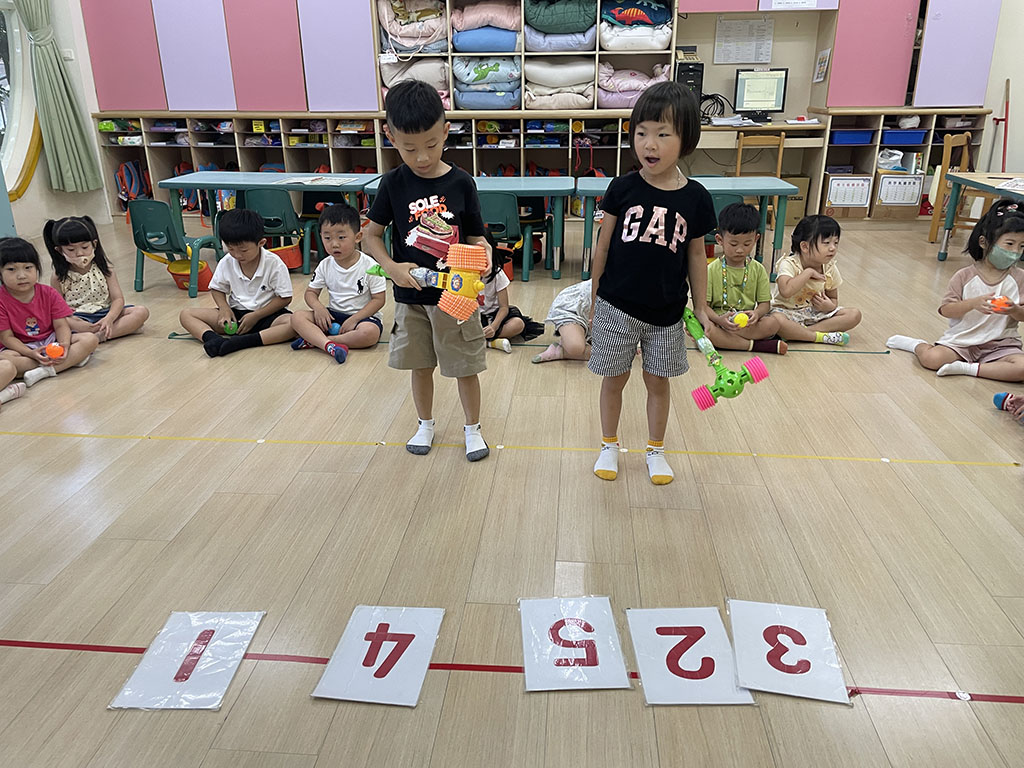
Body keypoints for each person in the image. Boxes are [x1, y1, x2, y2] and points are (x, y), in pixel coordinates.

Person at [588, 81, 717, 486]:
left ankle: (655, 450)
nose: (650, 144)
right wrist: (593, 297)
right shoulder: (622, 188)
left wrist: (700, 306)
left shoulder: (696, 198)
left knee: (658, 382)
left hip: (666, 312)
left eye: (663, 134)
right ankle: (609, 444)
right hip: (616, 306)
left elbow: (696, 256)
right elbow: (603, 245)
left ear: (686, 139)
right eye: (642, 132)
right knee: (614, 379)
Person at [361, 80, 493, 462]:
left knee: (465, 367)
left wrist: (484, 253)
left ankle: (473, 429)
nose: (421, 157)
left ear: (446, 130)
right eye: (409, 148)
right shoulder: (393, 183)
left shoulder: (461, 182)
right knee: (419, 366)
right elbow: (370, 236)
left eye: (431, 145)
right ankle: (425, 424)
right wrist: (391, 267)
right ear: (390, 137)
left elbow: (476, 237)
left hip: (456, 297)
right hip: (411, 298)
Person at [888, 198, 1024, 380]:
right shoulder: (964, 276)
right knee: (932, 359)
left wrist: (1014, 310)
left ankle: (967, 368)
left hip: (1002, 345)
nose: (1015, 252)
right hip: (963, 341)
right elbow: (947, 310)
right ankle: (917, 345)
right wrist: (972, 304)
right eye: (1009, 244)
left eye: (1021, 246)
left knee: (1022, 369)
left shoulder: (1019, 278)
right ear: (984, 242)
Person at [179, 208, 295, 357]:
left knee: (294, 323)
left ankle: (242, 342)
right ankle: (213, 340)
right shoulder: (227, 261)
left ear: (261, 243)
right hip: (236, 315)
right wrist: (224, 309)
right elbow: (217, 289)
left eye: (243, 250)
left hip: (267, 315)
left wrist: (257, 315)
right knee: (186, 314)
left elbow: (285, 298)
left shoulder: (274, 263)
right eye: (231, 249)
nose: (237, 255)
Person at [290, 203, 385, 362]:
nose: (334, 244)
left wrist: (355, 319)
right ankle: (328, 344)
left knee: (369, 333)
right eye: (327, 238)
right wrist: (319, 308)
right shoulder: (325, 264)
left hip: (362, 318)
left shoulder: (370, 266)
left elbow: (379, 299)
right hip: (333, 316)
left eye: (341, 238)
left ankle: (320, 341)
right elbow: (311, 293)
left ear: (358, 237)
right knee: (297, 317)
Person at [0, 237, 98, 389]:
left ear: (37, 268)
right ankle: (69, 361)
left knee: (90, 339)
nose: (21, 275)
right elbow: (6, 337)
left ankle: (44, 371)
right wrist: (30, 353)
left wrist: (65, 345)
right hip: (21, 347)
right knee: (7, 360)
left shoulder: (48, 293)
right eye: (11, 269)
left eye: (28, 267)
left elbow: (61, 325)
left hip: (51, 340)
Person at [44, 215, 149, 342]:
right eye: (71, 249)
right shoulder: (58, 276)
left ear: (94, 244)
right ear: (59, 250)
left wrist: (109, 318)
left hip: (105, 312)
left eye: (85, 247)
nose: (79, 253)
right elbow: (58, 309)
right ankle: (116, 331)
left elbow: (118, 299)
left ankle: (98, 336)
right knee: (62, 323)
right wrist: (74, 321)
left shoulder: (105, 269)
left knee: (141, 311)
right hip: (79, 317)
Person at [705, 203, 787, 355]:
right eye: (733, 244)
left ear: (756, 239)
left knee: (773, 323)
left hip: (747, 324)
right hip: (720, 322)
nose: (740, 249)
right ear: (719, 240)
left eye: (747, 244)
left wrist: (757, 314)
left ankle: (730, 342)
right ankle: (756, 346)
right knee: (706, 329)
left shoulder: (758, 269)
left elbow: (764, 304)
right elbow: (704, 307)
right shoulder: (711, 270)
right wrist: (719, 320)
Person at [769, 214, 862, 345]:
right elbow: (785, 291)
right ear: (805, 247)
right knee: (776, 320)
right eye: (826, 243)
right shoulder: (789, 264)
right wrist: (808, 272)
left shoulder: (829, 267)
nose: (833, 248)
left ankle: (801, 333)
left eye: (835, 243)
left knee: (854, 315)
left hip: (815, 314)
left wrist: (829, 306)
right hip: (787, 312)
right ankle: (817, 336)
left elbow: (833, 298)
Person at [479, 252, 542, 353]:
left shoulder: (497, 274)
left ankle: (481, 340)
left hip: (495, 315)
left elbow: (504, 307)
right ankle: (491, 343)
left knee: (518, 324)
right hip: (474, 316)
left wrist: (494, 327)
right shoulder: (462, 274)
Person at [532, 278, 593, 363]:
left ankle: (562, 351)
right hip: (572, 308)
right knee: (576, 347)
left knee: (611, 354)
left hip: (599, 316)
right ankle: (561, 351)